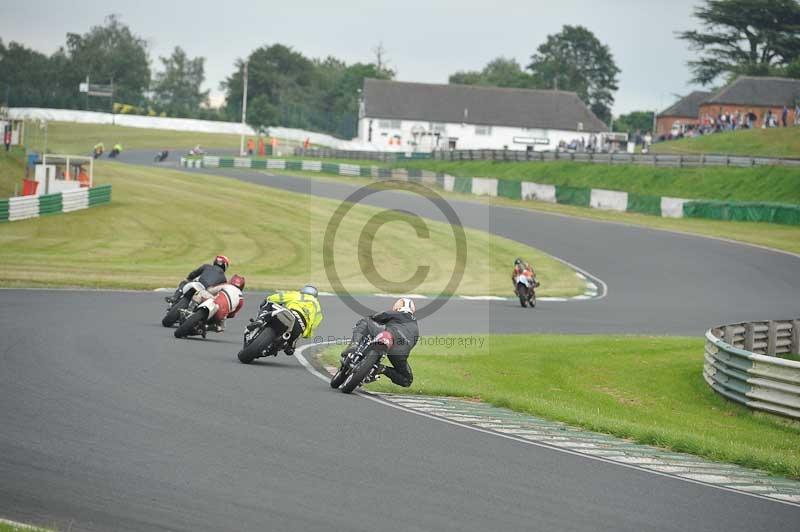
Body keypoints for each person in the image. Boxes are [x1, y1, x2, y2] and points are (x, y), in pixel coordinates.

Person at [340, 298, 419, 388]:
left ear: (398, 307)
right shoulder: (415, 325)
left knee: (366, 321)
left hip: (390, 335)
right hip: (401, 352)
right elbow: (413, 343)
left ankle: (355, 344)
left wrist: (374, 320)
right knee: (407, 379)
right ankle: (381, 369)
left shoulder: (396, 313)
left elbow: (376, 317)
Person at [255, 285, 324, 355]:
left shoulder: (297, 295)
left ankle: (260, 319)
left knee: (268, 302)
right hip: (300, 326)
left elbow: (275, 298)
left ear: (303, 291)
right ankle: (273, 349)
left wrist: (269, 299)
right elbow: (315, 324)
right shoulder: (317, 306)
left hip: (289, 314)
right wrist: (305, 334)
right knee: (289, 349)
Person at [166, 255, 230, 305]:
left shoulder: (206, 266)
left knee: (184, 282)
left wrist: (189, 278)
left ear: (215, 261)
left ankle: (174, 297)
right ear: (225, 266)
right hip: (207, 293)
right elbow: (219, 292)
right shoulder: (224, 279)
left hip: (198, 285)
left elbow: (194, 273)